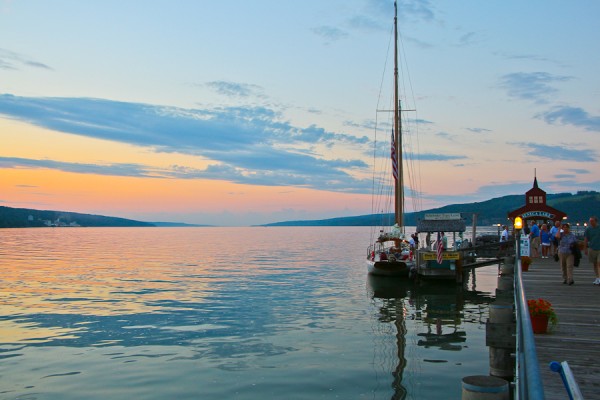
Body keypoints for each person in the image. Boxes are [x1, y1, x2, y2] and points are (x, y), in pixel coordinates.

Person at [584, 216, 600, 285]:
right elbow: (586, 239)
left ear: (596, 221)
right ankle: (597, 277)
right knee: (594, 264)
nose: (591, 222)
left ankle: (599, 278)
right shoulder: (588, 229)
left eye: (592, 221)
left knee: (599, 263)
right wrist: (585, 248)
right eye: (590, 221)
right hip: (592, 248)